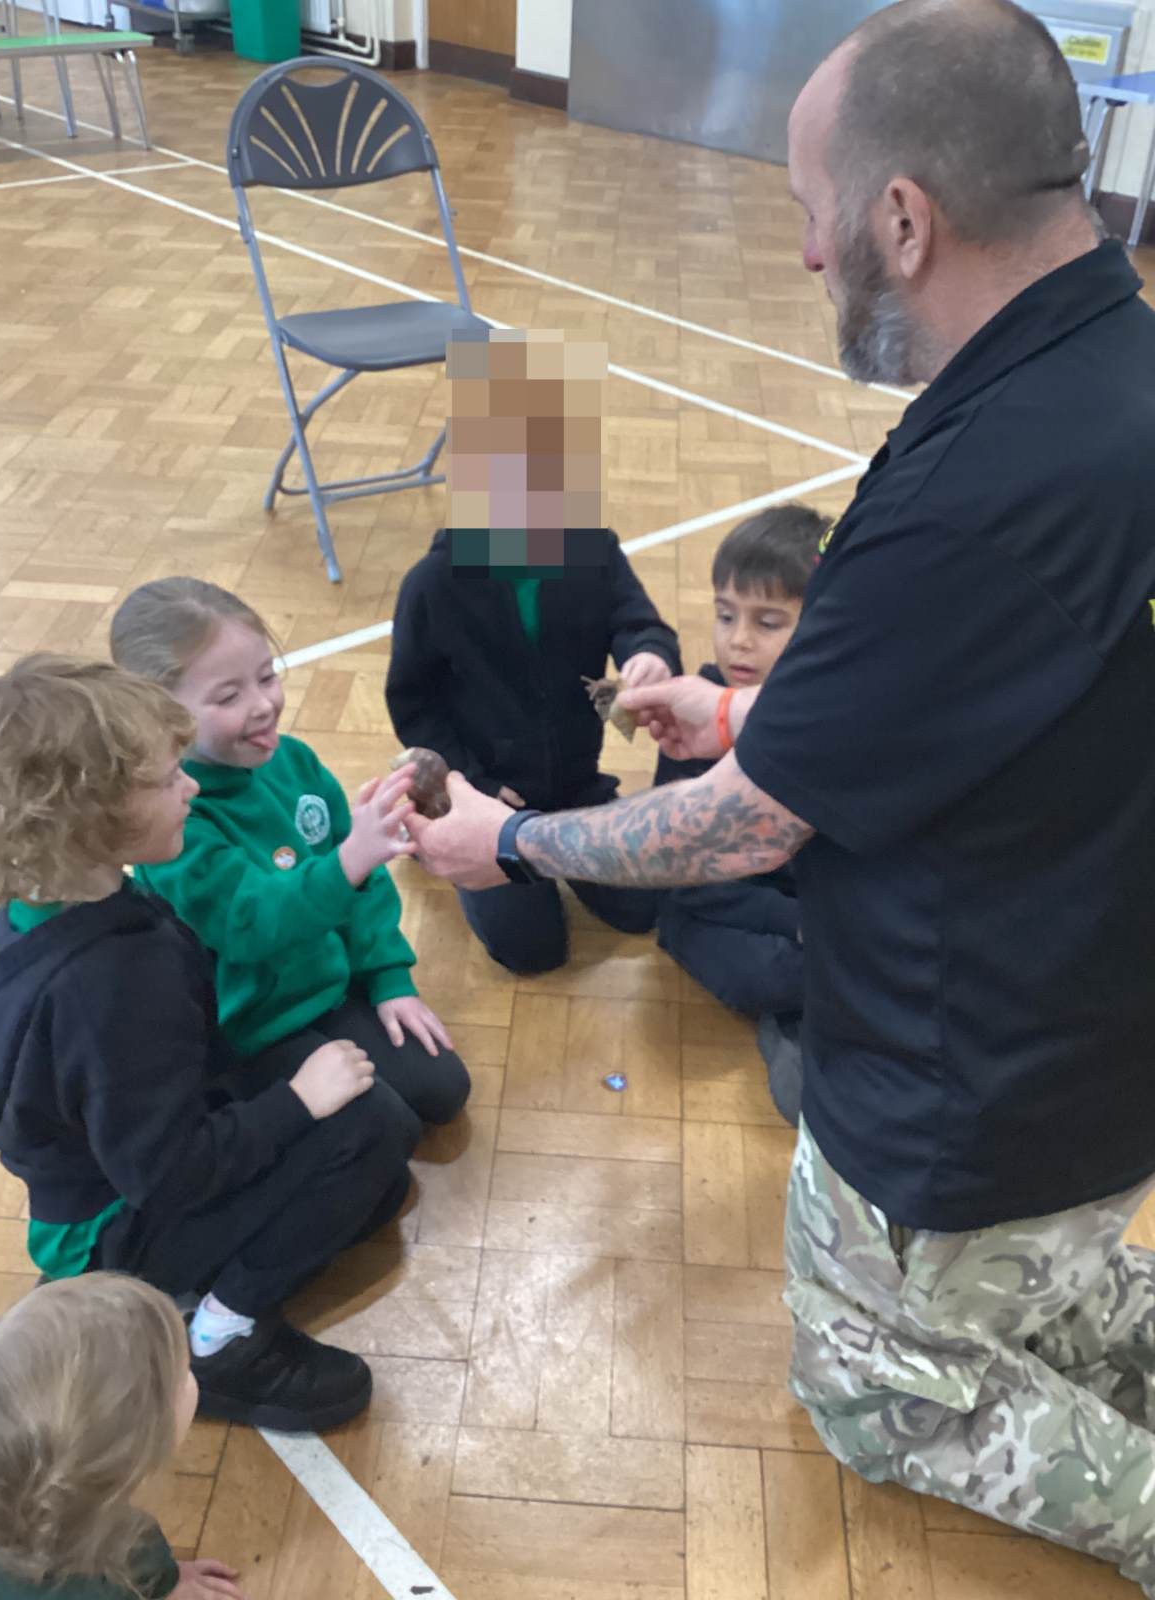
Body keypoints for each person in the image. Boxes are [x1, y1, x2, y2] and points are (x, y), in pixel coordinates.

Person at [401, 1, 1155, 1589]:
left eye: (815, 210)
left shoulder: (972, 491)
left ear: (905, 218)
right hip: (1095, 1024)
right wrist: (745, 705)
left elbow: (744, 822)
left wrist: (509, 837)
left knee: (875, 1398)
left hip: (972, 1081)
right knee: (1052, 1281)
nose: (808, 252)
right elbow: (1003, 683)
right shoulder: (1119, 377)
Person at [0, 655, 413, 1434]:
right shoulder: (115, 986)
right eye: (168, 780)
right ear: (91, 817)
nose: (191, 790)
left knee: (372, 1174)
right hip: (115, 1230)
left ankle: (204, 1278)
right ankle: (215, 1337)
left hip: (121, 1169)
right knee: (373, 1127)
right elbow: (171, 1174)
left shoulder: (47, 906)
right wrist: (298, 1102)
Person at [110, 577, 470, 1129]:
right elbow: (250, 923)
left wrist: (388, 978)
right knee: (387, 1130)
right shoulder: (174, 821)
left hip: (328, 983)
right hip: (256, 1026)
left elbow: (365, 881)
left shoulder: (294, 761)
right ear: (160, 716)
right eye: (228, 697)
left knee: (443, 1090)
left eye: (266, 676)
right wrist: (350, 861)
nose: (263, 705)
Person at [385, 326, 681, 974]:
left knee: (644, 909)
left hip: (575, 784)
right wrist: (473, 784)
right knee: (532, 951)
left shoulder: (592, 551)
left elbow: (637, 620)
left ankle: (550, 840)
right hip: (486, 795)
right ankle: (432, 833)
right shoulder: (433, 585)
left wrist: (649, 654)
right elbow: (414, 704)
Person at [650, 505, 822, 1123]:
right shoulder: (694, 712)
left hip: (805, 908)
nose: (738, 640)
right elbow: (690, 880)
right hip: (713, 911)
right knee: (772, 973)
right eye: (726, 616)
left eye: (768, 622)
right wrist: (797, 923)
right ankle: (804, 1018)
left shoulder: (830, 718)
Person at [0, 1273, 244, 1600]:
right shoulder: (88, 1584)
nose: (189, 1374)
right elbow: (127, 1545)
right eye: (179, 1373)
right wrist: (161, 1584)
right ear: (129, 1461)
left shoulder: (51, 1493)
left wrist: (167, 1579)